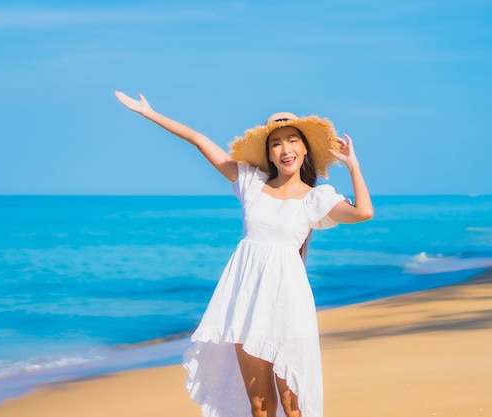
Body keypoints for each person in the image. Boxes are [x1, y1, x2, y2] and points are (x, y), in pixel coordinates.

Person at [114, 91, 373, 417]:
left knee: (293, 406)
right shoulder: (251, 182)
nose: (285, 149)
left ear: (305, 148)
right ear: (269, 153)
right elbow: (197, 139)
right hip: (246, 303)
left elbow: (364, 212)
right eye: (276, 143)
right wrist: (148, 112)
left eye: (292, 140)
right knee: (260, 405)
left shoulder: (316, 198)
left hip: (289, 306)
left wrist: (353, 166)